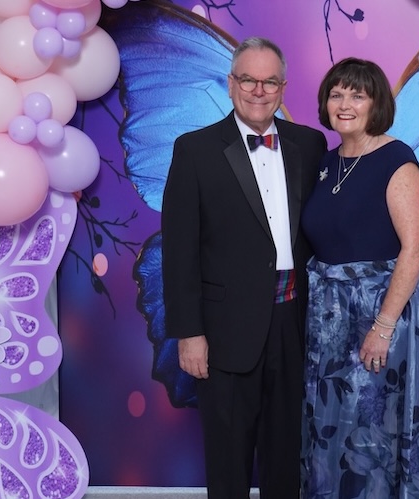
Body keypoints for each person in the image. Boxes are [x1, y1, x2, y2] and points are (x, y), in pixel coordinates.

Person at [161, 37, 327, 499]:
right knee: (228, 457)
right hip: (223, 328)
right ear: (231, 84)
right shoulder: (194, 150)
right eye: (248, 80)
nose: (258, 90)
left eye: (269, 81)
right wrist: (189, 333)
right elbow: (179, 249)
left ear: (283, 88)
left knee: (286, 453)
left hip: (293, 320)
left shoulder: (310, 144)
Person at [300, 57, 419, 498]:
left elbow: (416, 247)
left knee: (373, 428)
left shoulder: (396, 159)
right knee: (335, 423)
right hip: (330, 319)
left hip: (384, 313)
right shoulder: (325, 163)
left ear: (376, 105)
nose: (344, 104)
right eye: (336, 94)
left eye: (358, 95)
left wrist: (383, 327)